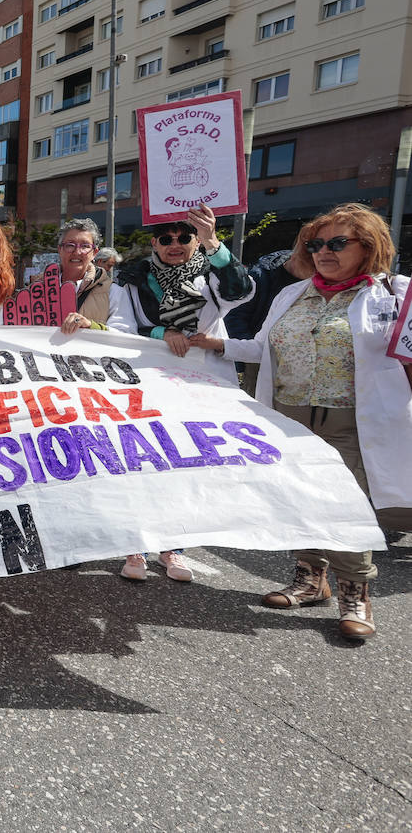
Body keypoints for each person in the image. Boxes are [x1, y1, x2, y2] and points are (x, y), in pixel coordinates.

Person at [191, 204, 410, 640]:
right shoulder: (293, 294)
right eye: (315, 244)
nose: (323, 252)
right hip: (291, 418)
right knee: (304, 500)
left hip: (354, 423)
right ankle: (311, 580)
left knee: (350, 508)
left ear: (368, 246)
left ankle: (355, 594)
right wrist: (216, 344)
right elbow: (261, 348)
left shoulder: (395, 293)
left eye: (336, 243)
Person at [107, 204, 254, 583]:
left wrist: (212, 242)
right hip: (146, 376)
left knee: (186, 461)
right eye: (167, 238)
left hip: (199, 379)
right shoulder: (132, 276)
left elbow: (240, 291)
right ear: (154, 243)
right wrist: (161, 333)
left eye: (184, 237)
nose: (175, 244)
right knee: (140, 456)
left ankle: (175, 548)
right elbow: (120, 325)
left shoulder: (212, 272)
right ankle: (135, 545)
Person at [223, 247, 304, 396]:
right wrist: (248, 357)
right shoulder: (260, 276)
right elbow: (235, 317)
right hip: (258, 357)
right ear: (294, 256)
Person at [55, 219, 115, 334]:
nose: (77, 252)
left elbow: (126, 333)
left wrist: (90, 326)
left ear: (95, 253)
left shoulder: (113, 292)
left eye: (85, 246)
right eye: (70, 245)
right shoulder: (37, 289)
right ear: (60, 249)